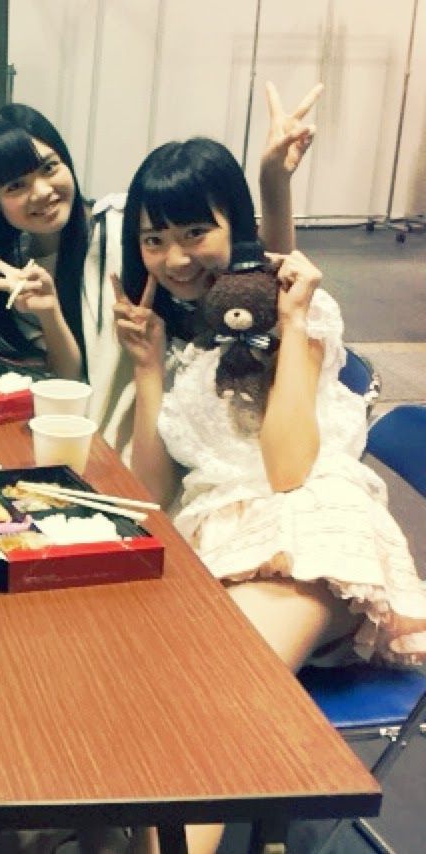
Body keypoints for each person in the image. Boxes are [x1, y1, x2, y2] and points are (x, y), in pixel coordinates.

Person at [112, 137, 426, 854]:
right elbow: (152, 491)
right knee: (128, 680)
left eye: (196, 231)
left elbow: (287, 470)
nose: (174, 257)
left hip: (306, 534)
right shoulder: (193, 340)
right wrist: (148, 367)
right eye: (154, 239)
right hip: (218, 544)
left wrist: (293, 321)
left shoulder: (295, 319)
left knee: (214, 701)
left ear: (238, 228)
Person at [0, 85, 322, 453]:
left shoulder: (124, 226)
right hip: (92, 435)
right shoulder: (13, 275)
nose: (41, 191)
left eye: (49, 168)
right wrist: (49, 314)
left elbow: (255, 280)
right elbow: (68, 380)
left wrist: (275, 182)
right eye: (16, 186)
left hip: (173, 425)